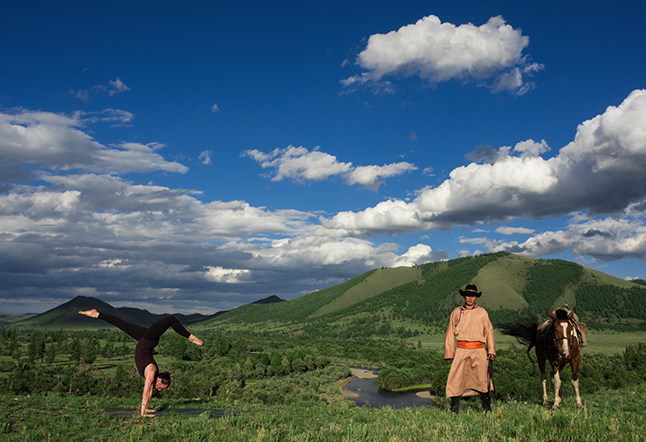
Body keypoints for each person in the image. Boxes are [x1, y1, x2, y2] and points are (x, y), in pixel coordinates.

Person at [78, 309, 203, 416]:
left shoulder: (154, 375)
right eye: (160, 387)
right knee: (171, 319)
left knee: (120, 323)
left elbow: (149, 393)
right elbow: (146, 391)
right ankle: (189, 337)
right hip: (149, 339)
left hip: (144, 338)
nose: (158, 390)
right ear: (158, 380)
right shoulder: (152, 372)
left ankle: (96, 314)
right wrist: (142, 413)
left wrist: (146, 408)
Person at [444, 284, 496, 414]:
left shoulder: (482, 312)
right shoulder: (456, 312)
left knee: (482, 380)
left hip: (479, 350)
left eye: (473, 296)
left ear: (476, 297)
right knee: (456, 380)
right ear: (464, 296)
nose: (470, 298)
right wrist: (450, 352)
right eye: (468, 295)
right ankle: (454, 410)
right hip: (461, 350)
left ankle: (487, 409)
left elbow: (489, 331)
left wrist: (491, 350)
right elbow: (450, 332)